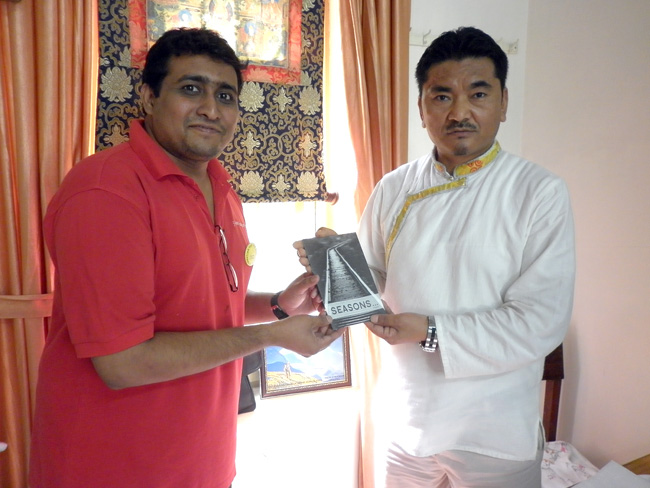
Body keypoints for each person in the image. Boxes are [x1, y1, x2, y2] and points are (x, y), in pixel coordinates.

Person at [29, 28, 343, 488]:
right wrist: (273, 335)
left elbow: (205, 302)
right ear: (148, 97)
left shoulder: (220, 186)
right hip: (109, 467)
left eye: (226, 95)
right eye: (190, 88)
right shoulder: (106, 192)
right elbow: (124, 362)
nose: (211, 109)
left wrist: (279, 303)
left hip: (201, 461)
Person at [296, 26, 575, 487]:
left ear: (503, 103)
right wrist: (332, 267)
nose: (460, 112)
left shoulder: (538, 192)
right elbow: (376, 275)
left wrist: (429, 332)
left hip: (494, 430)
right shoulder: (394, 186)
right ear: (422, 107)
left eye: (478, 93)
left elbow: (540, 321)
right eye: (441, 96)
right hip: (407, 419)